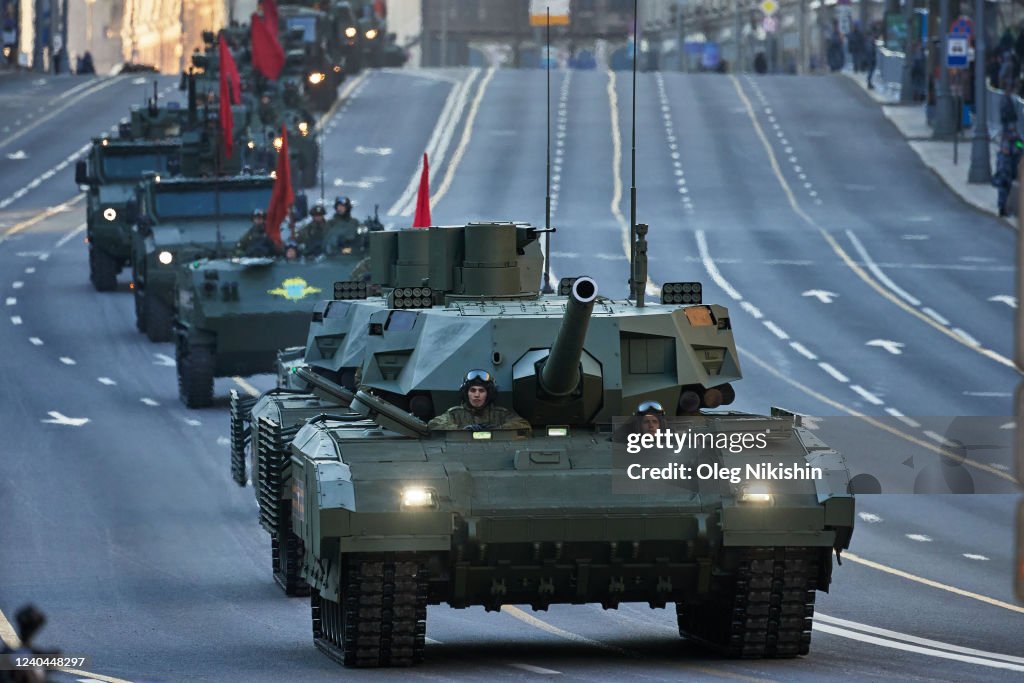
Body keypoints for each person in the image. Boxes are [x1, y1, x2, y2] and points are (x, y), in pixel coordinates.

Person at [427, 370, 531, 431]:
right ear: (466, 393)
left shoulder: (500, 414)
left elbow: (523, 424)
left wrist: (498, 428)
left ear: (488, 394)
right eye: (473, 390)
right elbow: (434, 424)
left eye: (481, 391)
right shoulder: (455, 414)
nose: (477, 395)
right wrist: (462, 429)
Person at [993, 127, 1024, 216]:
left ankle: (1006, 208)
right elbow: (1007, 151)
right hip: (1006, 166)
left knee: (1008, 187)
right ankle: (1003, 208)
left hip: (1011, 165)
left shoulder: (1013, 139)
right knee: (1004, 186)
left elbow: (1021, 147)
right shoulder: (1007, 139)